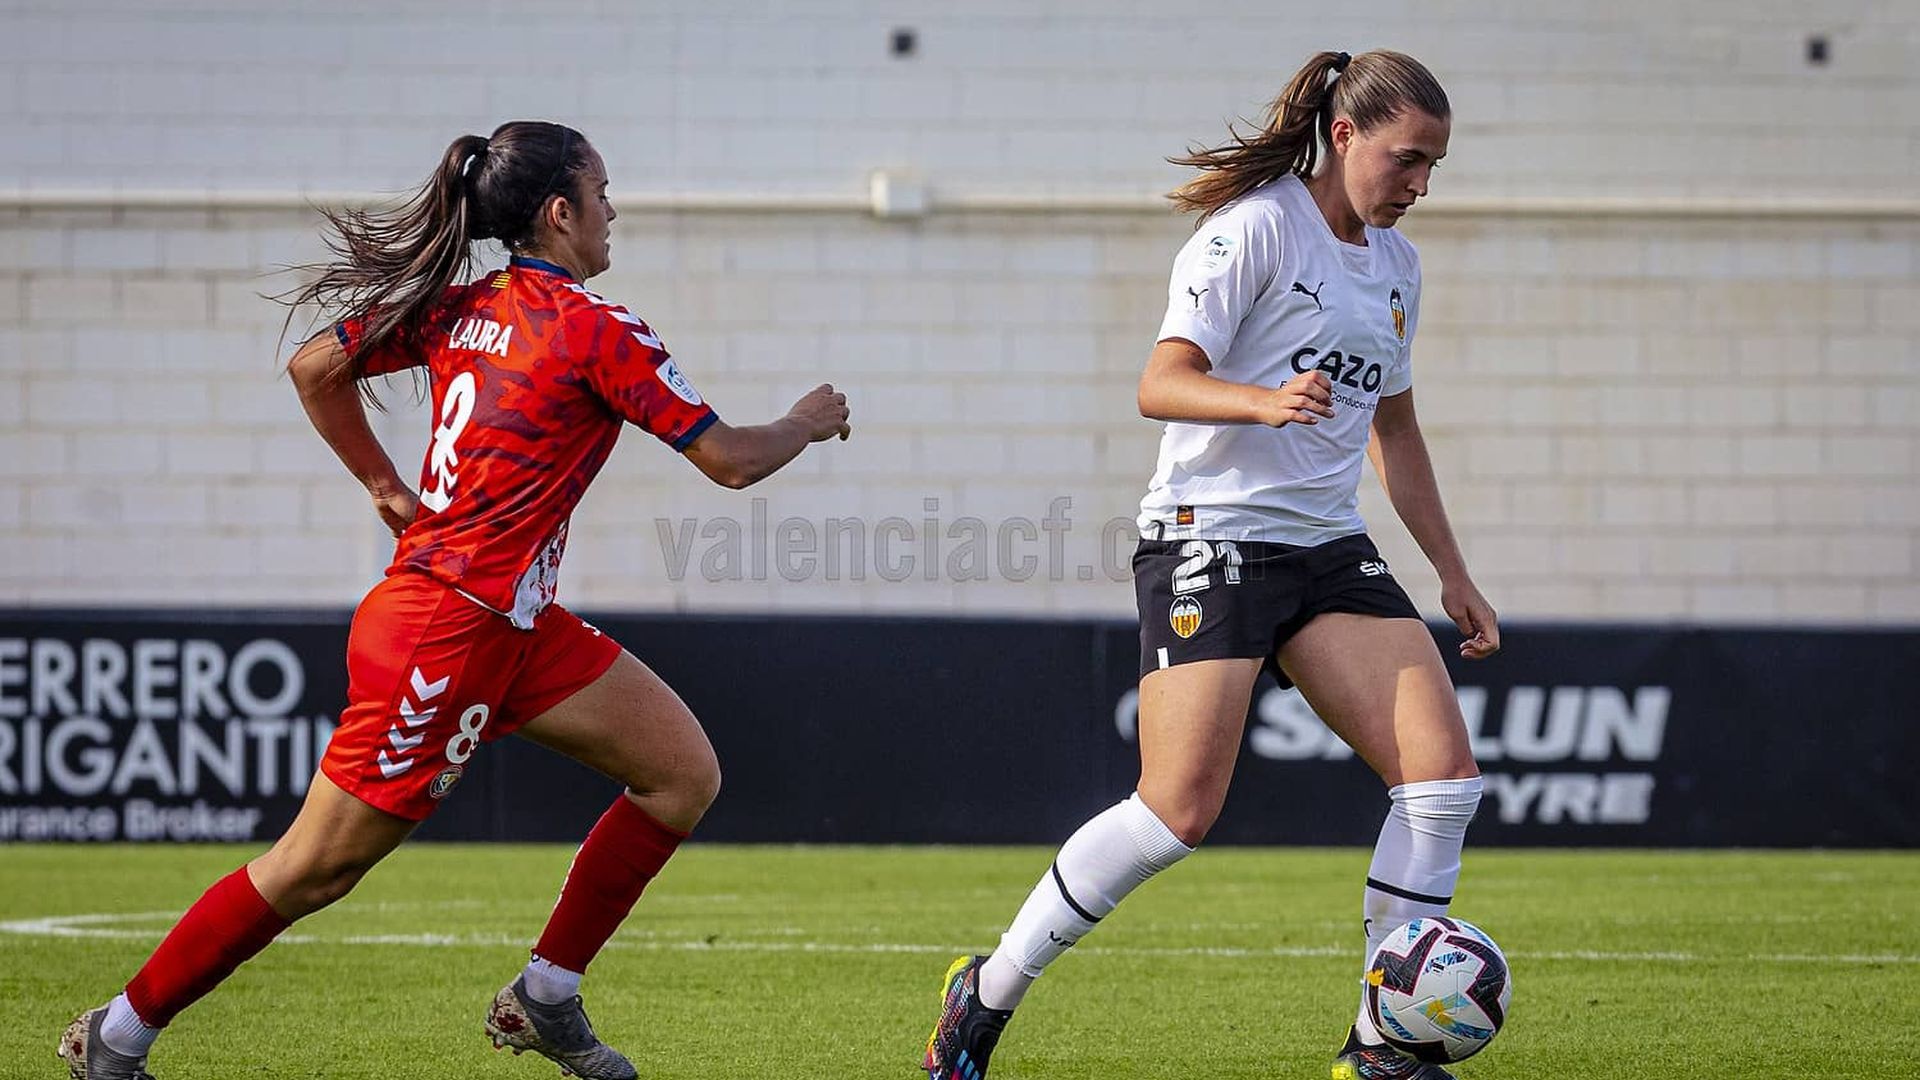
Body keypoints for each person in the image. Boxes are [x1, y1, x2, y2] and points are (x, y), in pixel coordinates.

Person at [58, 121, 851, 1080]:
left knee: (681, 773)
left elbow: (315, 366)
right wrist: (805, 423)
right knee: (315, 868)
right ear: (560, 213)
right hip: (446, 630)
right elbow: (729, 460)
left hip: (506, 620)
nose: (613, 214)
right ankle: (118, 1035)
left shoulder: (462, 306)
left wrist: (385, 487)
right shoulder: (596, 328)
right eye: (603, 194)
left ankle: (547, 997)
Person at [923, 50, 1498, 1080]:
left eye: (1434, 168)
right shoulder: (1253, 230)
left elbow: (1396, 435)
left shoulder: (1399, 269)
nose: (1419, 186)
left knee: (1443, 783)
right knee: (1175, 812)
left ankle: (1380, 1051)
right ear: (1345, 135)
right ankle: (990, 988)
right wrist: (1263, 400)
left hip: (1327, 549)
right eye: (1407, 160)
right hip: (1212, 537)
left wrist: (1451, 572)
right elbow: (1161, 382)